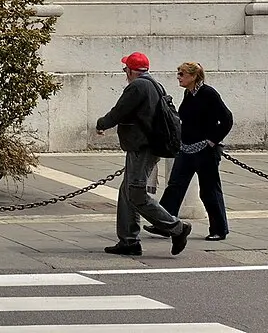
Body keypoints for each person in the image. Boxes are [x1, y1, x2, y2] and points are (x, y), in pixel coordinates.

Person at [95, 50, 190, 256]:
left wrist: (102, 124)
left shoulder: (138, 86)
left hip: (142, 147)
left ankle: (177, 228)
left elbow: (119, 111)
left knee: (136, 193)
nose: (125, 73)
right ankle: (129, 241)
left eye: (125, 69)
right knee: (126, 192)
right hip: (145, 145)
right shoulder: (154, 84)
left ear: (130, 70)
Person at [160, 61, 232, 240]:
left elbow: (227, 119)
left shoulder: (208, 94)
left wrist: (212, 141)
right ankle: (164, 223)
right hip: (187, 147)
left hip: (205, 150)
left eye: (182, 74)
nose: (179, 77)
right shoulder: (189, 93)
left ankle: (218, 229)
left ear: (193, 76)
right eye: (178, 73)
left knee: (209, 190)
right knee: (175, 186)